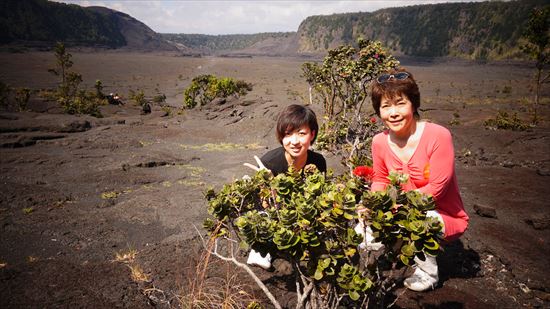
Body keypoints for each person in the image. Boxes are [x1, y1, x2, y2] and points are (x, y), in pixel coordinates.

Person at [360, 68, 469, 291]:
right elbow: (380, 179)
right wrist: (372, 206)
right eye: (386, 106)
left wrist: (392, 209)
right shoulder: (379, 142)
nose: (393, 113)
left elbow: (436, 189)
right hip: (400, 210)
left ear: (413, 103)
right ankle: (401, 247)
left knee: (422, 217)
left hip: (441, 215)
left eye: (400, 103)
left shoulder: (438, 136)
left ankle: (428, 272)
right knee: (362, 233)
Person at [244, 104, 327, 269]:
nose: (294, 141)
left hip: (302, 213)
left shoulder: (318, 161)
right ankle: (262, 249)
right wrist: (268, 183)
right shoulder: (269, 163)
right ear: (281, 137)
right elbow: (265, 205)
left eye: (301, 133)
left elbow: (319, 197)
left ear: (312, 134)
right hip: (274, 211)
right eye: (288, 134)